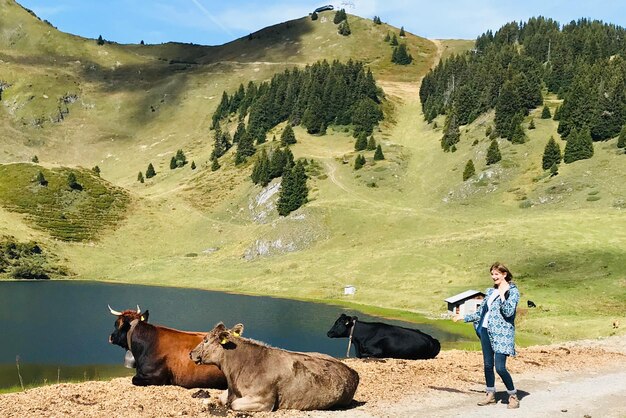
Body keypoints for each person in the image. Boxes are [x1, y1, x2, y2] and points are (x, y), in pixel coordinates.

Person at [453, 262, 520, 409]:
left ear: (504, 274)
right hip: (485, 330)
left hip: (502, 334)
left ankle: (513, 395)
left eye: (496, 274)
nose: (493, 277)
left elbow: (509, 312)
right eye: (492, 274)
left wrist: (503, 296)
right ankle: (490, 395)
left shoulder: (513, 292)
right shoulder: (490, 291)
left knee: (500, 368)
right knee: (488, 365)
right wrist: (463, 317)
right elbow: (480, 312)